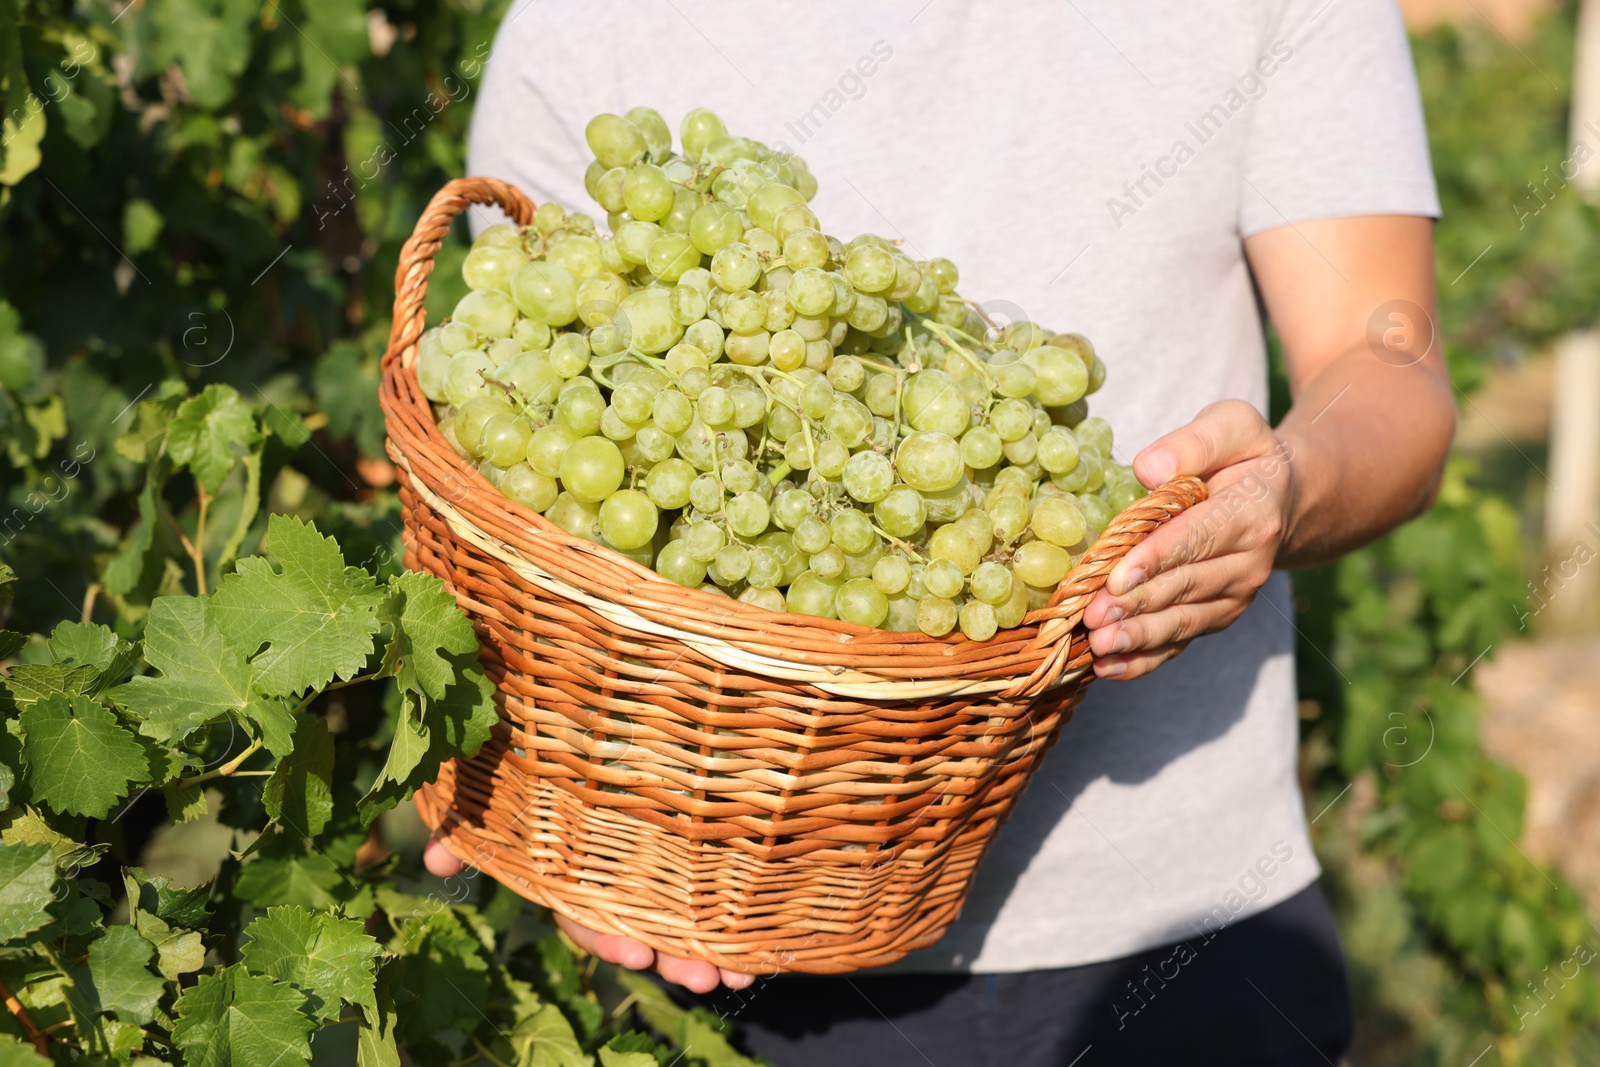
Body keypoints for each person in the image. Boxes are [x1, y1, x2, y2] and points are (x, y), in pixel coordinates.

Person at [425, 1, 1455, 1062]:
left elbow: (1389, 368)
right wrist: (579, 803)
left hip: (1181, 923)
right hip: (748, 935)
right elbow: (536, 456)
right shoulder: (582, 23)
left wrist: (1283, 489)